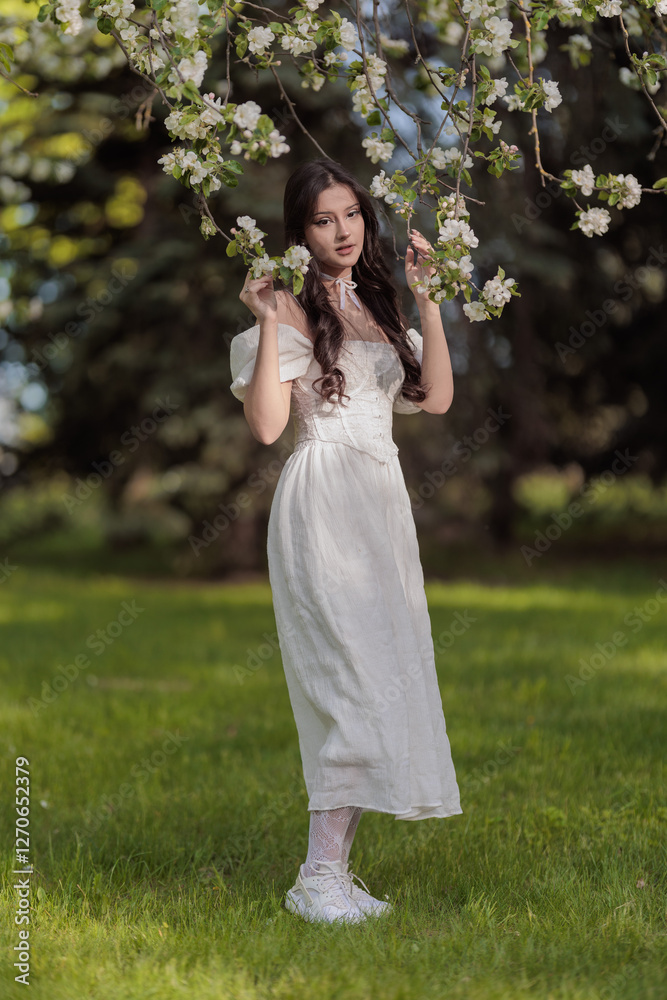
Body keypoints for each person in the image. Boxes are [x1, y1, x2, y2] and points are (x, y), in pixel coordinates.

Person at [229, 158, 461, 925]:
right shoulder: (289, 311)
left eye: (351, 215)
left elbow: (433, 401)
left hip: (380, 505)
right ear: (299, 233)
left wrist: (426, 302)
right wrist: (266, 324)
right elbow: (266, 426)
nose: (342, 232)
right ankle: (315, 879)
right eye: (323, 220)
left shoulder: (375, 303)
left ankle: (333, 873)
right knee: (350, 685)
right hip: (324, 498)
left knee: (383, 678)